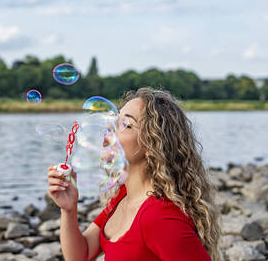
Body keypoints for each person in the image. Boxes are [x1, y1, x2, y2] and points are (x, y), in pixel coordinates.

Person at [47, 88, 220, 261]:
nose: (109, 128)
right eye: (115, 120)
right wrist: (68, 209)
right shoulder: (123, 197)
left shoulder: (159, 216)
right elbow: (81, 255)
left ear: (153, 145)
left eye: (126, 125)